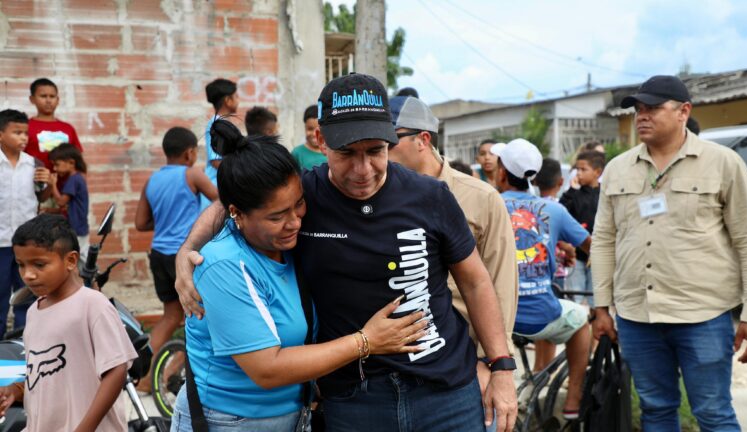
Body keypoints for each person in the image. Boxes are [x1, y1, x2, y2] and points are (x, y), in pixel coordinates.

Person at [176, 74, 518, 432]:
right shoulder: (304, 195)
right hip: (354, 399)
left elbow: (477, 282)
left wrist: (501, 367)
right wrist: (188, 249)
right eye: (347, 154)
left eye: (375, 151)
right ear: (321, 140)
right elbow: (240, 199)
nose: (363, 170)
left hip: (446, 392)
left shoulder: (430, 196)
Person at [171, 121, 426, 431]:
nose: (294, 222)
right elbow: (267, 369)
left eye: (299, 205)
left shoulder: (283, 243)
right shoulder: (224, 264)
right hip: (231, 421)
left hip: (294, 415)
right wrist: (366, 341)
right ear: (236, 213)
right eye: (276, 217)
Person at [591, 75, 747, 431]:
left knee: (713, 413)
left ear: (684, 111)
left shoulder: (723, 163)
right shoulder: (617, 168)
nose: (642, 116)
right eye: (638, 109)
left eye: (653, 108)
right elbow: (604, 238)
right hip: (637, 317)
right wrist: (601, 306)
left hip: (702, 314)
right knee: (655, 410)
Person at [388, 95, 518, 407]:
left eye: (390, 140)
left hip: (467, 360)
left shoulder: (480, 198)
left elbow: (499, 285)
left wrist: (493, 362)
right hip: (398, 360)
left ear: (423, 140)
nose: (381, 150)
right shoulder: (380, 198)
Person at [0, 214, 137, 431]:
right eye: (21, 265)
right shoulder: (34, 312)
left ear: (71, 261)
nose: (28, 275)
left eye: (39, 264)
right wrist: (15, 391)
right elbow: (45, 375)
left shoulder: (92, 305)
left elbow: (116, 371)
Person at [492, 138, 591, 420]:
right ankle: (573, 398)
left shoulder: (489, 204)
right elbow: (592, 247)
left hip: (495, 320)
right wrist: (562, 245)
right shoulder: (554, 210)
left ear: (501, 172)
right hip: (539, 318)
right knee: (581, 320)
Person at [134, 126, 218, 391]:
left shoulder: (152, 180)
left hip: (158, 254)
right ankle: (172, 374)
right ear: (190, 153)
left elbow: (140, 223)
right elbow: (223, 203)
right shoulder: (192, 174)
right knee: (201, 315)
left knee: (170, 317)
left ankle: (143, 380)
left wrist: (166, 221)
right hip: (182, 256)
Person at [0, 109, 51, 337]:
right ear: (1, 134)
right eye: (17, 132)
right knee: (0, 296)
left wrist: (46, 183)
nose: (23, 138)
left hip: (26, 243)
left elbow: (41, 197)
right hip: (0, 242)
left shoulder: (34, 164)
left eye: (25, 133)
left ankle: (25, 340)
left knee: (26, 292)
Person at [531, 157, 575, 372]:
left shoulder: (531, 207)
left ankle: (539, 367)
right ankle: (545, 371)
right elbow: (572, 241)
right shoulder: (557, 208)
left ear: (535, 182)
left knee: (542, 328)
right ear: (560, 182)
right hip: (554, 273)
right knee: (549, 324)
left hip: (534, 274)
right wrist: (569, 250)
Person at [559, 150, 605, 307]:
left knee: (597, 297)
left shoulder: (605, 193)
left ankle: (596, 324)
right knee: (575, 297)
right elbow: (561, 210)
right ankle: (578, 328)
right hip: (576, 254)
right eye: (577, 169)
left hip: (599, 253)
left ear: (598, 172)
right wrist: (571, 191)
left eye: (583, 169)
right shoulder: (574, 195)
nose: (578, 173)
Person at [24, 78, 83, 171]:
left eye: (52, 96)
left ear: (58, 99)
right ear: (32, 99)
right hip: (35, 183)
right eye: (43, 96)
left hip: (65, 184)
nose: (48, 100)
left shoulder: (68, 128)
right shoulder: (25, 127)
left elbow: (78, 160)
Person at [47, 144, 90, 261]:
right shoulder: (77, 178)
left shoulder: (74, 179)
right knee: (80, 256)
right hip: (80, 226)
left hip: (77, 228)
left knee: (81, 258)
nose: (54, 169)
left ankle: (92, 278)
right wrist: (50, 211)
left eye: (57, 164)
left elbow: (61, 202)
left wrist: (52, 185)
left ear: (71, 162)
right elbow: (68, 207)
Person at [202, 78, 239, 211]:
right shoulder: (217, 125)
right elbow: (216, 161)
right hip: (216, 189)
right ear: (228, 100)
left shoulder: (224, 123)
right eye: (236, 96)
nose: (238, 100)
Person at [291, 105, 326, 171]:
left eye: (319, 130)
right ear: (305, 127)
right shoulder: (297, 153)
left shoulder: (331, 152)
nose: (314, 134)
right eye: (310, 129)